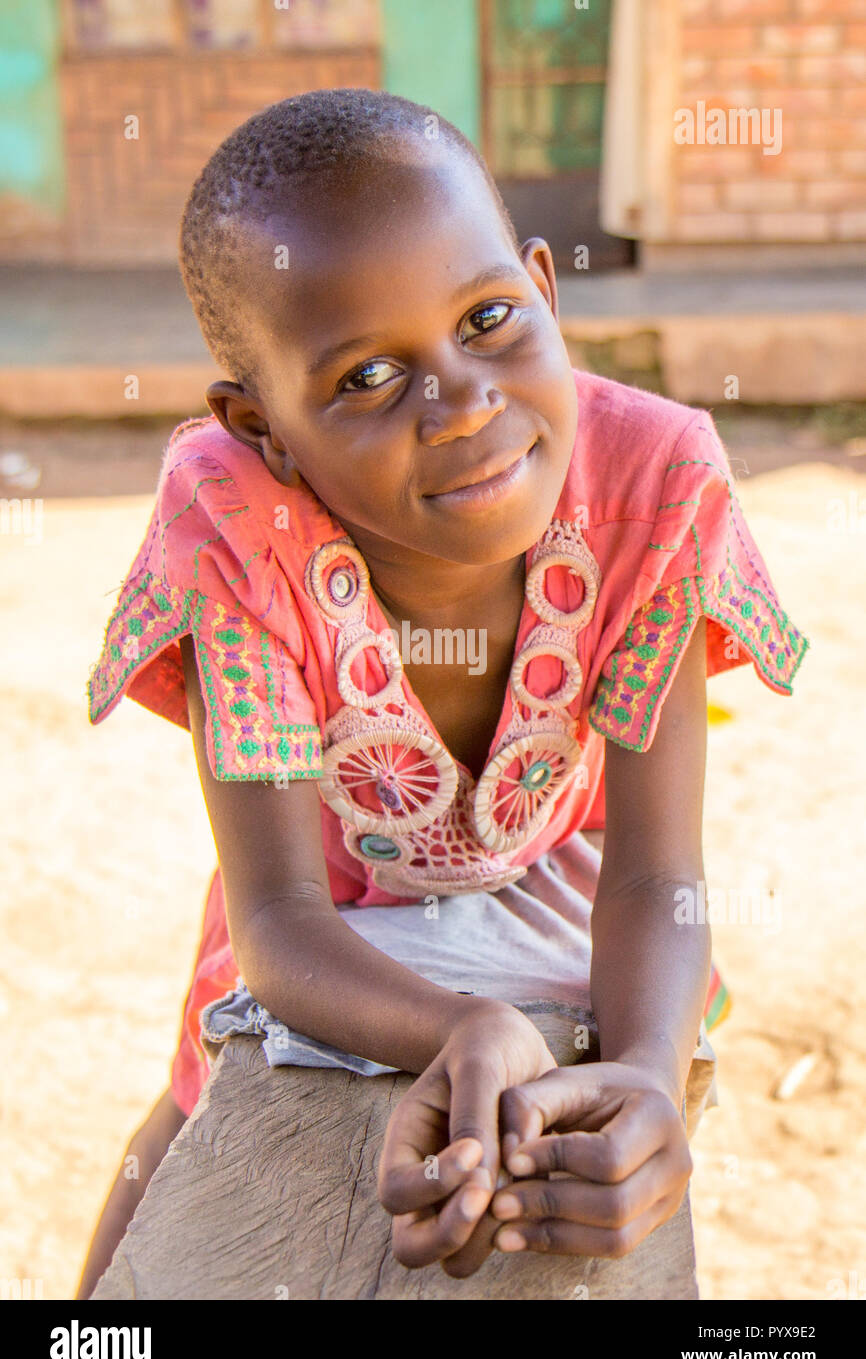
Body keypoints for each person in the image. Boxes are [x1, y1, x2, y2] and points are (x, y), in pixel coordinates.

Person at [76, 88, 808, 1298]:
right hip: (335, 899)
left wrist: (638, 1067)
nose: (460, 400)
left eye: (486, 318)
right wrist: (460, 1026)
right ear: (261, 426)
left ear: (543, 288)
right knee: (198, 1127)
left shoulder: (653, 486)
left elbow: (655, 874)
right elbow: (276, 925)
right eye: (365, 376)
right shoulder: (231, 525)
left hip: (559, 869)